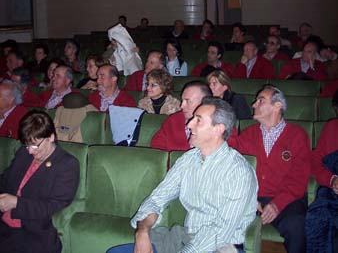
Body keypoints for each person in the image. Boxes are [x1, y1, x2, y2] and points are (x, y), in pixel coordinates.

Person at [107, 98, 258, 253]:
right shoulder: (189, 159)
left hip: (223, 246)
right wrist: (142, 231)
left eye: (198, 120)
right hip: (186, 237)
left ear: (218, 129)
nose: (189, 124)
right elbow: (157, 198)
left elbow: (221, 232)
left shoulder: (239, 171)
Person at [231, 85, 311, 253]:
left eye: (261, 100)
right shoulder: (249, 134)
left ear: (277, 106)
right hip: (254, 199)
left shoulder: (297, 135)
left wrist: (277, 204)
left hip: (287, 199)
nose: (254, 104)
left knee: (297, 225)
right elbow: (230, 158)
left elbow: (299, 178)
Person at [0, 110, 79, 253]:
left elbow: (53, 205)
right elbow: (5, 180)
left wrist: (16, 202)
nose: (30, 151)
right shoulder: (24, 153)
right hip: (4, 227)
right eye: (27, 145)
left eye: (35, 145)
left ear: (50, 137)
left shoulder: (67, 164)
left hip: (32, 235)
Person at [305, 99, 338, 253]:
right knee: (317, 218)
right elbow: (314, 162)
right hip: (332, 192)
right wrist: (332, 180)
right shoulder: (333, 128)